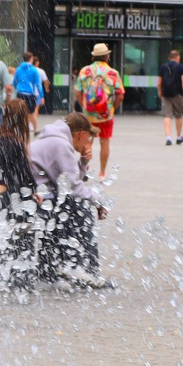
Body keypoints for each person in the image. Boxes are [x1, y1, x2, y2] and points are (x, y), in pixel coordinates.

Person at [29, 109, 111, 287]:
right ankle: (88, 270)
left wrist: (82, 162)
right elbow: (73, 188)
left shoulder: (55, 139)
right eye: (89, 138)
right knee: (79, 208)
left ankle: (50, 268)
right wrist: (99, 202)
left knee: (69, 205)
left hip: (35, 195)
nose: (89, 143)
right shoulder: (61, 145)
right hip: (35, 198)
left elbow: (68, 182)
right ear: (81, 134)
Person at [0, 97, 39, 285]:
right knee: (34, 211)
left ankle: (6, 266)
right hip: (2, 204)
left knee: (25, 206)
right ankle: (23, 270)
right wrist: (36, 194)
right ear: (22, 120)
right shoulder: (13, 142)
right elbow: (26, 180)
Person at [73, 42, 123, 179]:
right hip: (106, 114)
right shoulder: (113, 73)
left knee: (87, 140)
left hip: (89, 114)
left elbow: (78, 91)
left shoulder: (85, 71)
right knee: (104, 142)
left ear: (93, 57)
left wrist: (83, 104)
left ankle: (85, 168)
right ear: (106, 57)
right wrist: (112, 107)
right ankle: (102, 173)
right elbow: (120, 94)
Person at [158, 49, 183, 144]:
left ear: (169, 58)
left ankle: (168, 137)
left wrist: (160, 92)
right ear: (178, 58)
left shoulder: (163, 67)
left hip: (166, 93)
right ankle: (179, 137)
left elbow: (159, 82)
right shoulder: (181, 67)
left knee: (167, 115)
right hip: (178, 94)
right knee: (178, 115)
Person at [13, 51, 47, 120]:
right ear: (31, 59)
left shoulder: (18, 69)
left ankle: (21, 127)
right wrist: (42, 96)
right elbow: (38, 84)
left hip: (20, 93)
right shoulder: (34, 70)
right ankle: (33, 128)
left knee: (20, 112)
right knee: (30, 112)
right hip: (29, 94)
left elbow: (14, 82)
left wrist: (17, 87)